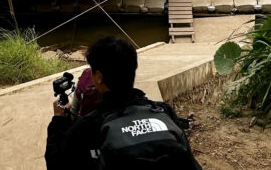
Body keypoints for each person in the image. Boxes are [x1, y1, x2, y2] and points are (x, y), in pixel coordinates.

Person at [45, 36, 202, 170]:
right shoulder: (163, 111)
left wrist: (58, 121)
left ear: (99, 77)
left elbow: (56, 164)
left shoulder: (90, 126)